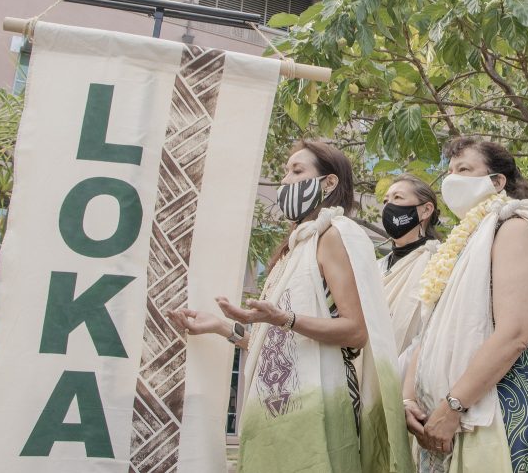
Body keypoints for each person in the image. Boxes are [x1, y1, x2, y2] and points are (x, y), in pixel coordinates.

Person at [171, 140, 411, 473]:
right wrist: (220, 326)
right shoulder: (296, 247)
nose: (285, 180)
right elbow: (276, 347)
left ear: (328, 183)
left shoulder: (333, 235)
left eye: (297, 171)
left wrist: (283, 318)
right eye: (286, 170)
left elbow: (355, 331)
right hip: (275, 419)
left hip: (322, 408)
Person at [404, 137, 528, 473]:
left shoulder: (514, 229)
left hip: (501, 413)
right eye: (449, 171)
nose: (451, 179)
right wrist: (410, 399)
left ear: (497, 181)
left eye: (464, 169)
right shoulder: (464, 242)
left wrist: (452, 407)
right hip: (446, 416)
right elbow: (430, 331)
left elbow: (515, 333)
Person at [378, 174, 440, 373]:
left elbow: (431, 331)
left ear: (426, 210)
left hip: (410, 375)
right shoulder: (376, 266)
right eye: (386, 201)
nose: (388, 206)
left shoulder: (439, 261)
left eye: (398, 198)